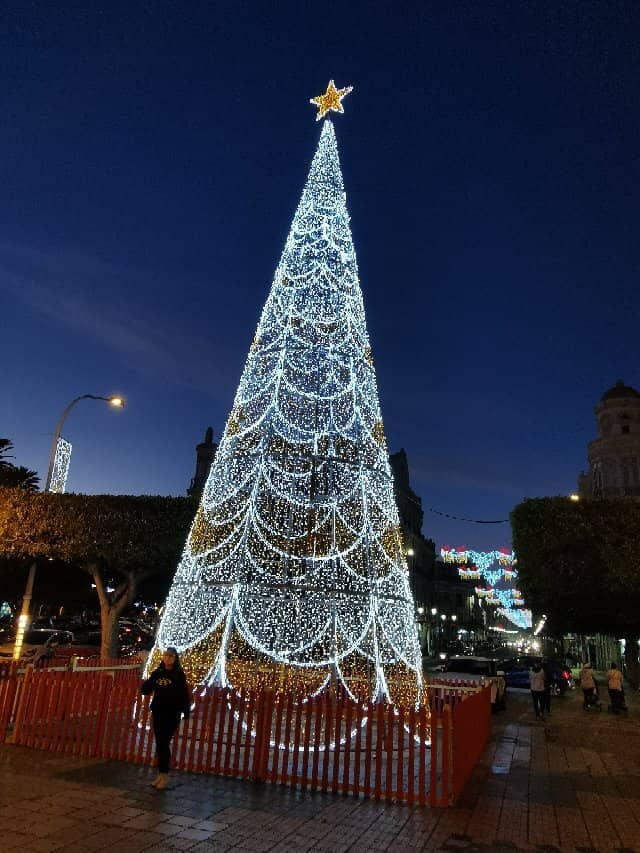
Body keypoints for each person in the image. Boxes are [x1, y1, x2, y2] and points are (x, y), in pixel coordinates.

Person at [141, 647, 191, 789]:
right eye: (166, 655)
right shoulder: (158, 672)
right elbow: (146, 689)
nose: (168, 658)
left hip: (172, 712)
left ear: (175, 659)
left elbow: (183, 693)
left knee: (164, 741)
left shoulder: (178, 674)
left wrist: (185, 711)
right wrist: (150, 680)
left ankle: (165, 775)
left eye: (171, 656)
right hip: (158, 711)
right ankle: (161, 774)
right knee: (159, 742)